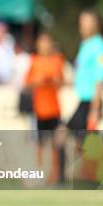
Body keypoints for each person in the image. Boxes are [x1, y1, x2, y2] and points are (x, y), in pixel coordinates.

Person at [25, 33, 64, 183]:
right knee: (40, 144)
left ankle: (54, 175)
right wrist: (38, 81)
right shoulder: (34, 61)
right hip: (39, 110)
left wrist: (55, 81)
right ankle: (39, 173)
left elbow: (62, 83)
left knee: (55, 145)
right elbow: (27, 84)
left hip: (54, 109)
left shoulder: (57, 60)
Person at [66, 9, 103, 135]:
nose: (84, 24)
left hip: (92, 101)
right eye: (82, 21)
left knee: (84, 142)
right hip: (84, 98)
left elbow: (100, 78)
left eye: (88, 21)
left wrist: (95, 109)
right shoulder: (86, 44)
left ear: (96, 24)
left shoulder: (99, 46)